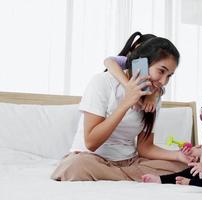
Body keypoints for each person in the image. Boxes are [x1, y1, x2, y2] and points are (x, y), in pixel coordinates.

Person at [51, 37, 192, 181]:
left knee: (184, 168)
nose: (164, 82)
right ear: (141, 63)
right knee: (74, 166)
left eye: (169, 76)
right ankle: (125, 177)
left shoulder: (154, 95)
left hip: (129, 163)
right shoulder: (102, 82)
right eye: (161, 71)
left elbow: (145, 148)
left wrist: (177, 155)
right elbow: (91, 143)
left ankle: (116, 176)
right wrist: (126, 103)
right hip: (91, 159)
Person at [104, 32, 161, 113]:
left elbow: (160, 85)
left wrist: (151, 95)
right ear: (137, 47)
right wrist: (129, 87)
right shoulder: (127, 61)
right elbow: (108, 61)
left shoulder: (150, 69)